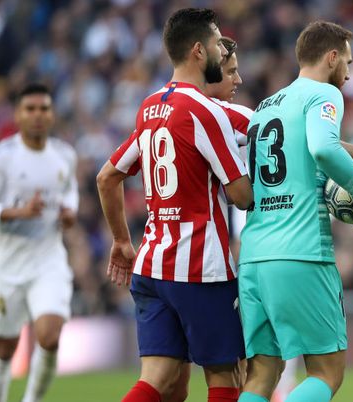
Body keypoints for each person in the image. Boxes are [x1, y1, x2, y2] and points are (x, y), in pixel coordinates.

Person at [96, 8, 252, 402]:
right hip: (201, 267)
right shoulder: (207, 111)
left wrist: (120, 241)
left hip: (150, 263)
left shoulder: (149, 107)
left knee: (163, 381)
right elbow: (241, 196)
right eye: (218, 44)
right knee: (226, 378)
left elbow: (107, 176)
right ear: (199, 51)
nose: (222, 52)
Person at [236, 21, 353, 402]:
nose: (348, 72)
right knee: (327, 372)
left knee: (262, 375)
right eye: (348, 62)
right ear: (331, 57)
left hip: (255, 255)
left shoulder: (265, 106)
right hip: (302, 250)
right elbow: (323, 148)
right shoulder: (324, 94)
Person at [0, 83, 78, 402]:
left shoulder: (64, 155)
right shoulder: (4, 156)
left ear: (52, 114)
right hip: (8, 262)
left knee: (49, 335)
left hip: (48, 260)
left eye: (44, 109)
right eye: (30, 109)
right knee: (5, 347)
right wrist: (20, 212)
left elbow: (70, 194)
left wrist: (70, 213)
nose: (38, 116)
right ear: (18, 115)